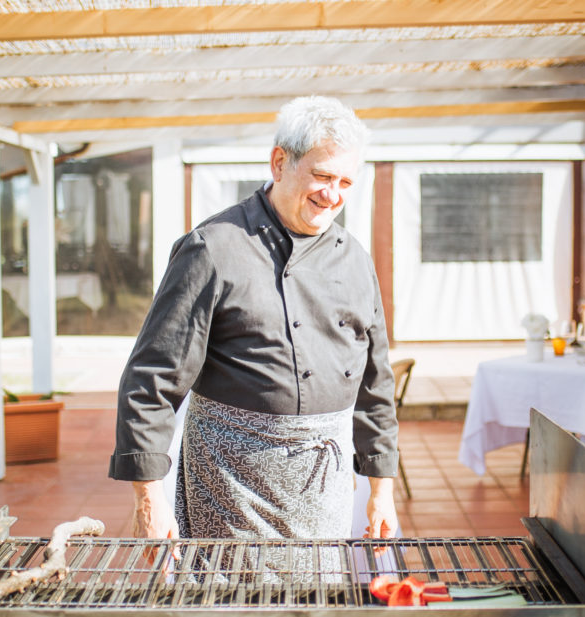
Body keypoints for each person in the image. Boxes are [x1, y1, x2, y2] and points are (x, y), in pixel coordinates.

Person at [108, 96, 399, 558]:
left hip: (323, 486)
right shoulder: (213, 248)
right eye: (322, 176)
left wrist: (381, 490)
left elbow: (375, 380)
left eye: (345, 181)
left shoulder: (354, 258)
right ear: (280, 162)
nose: (333, 194)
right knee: (231, 615)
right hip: (229, 483)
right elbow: (151, 379)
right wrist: (150, 499)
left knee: (314, 606)